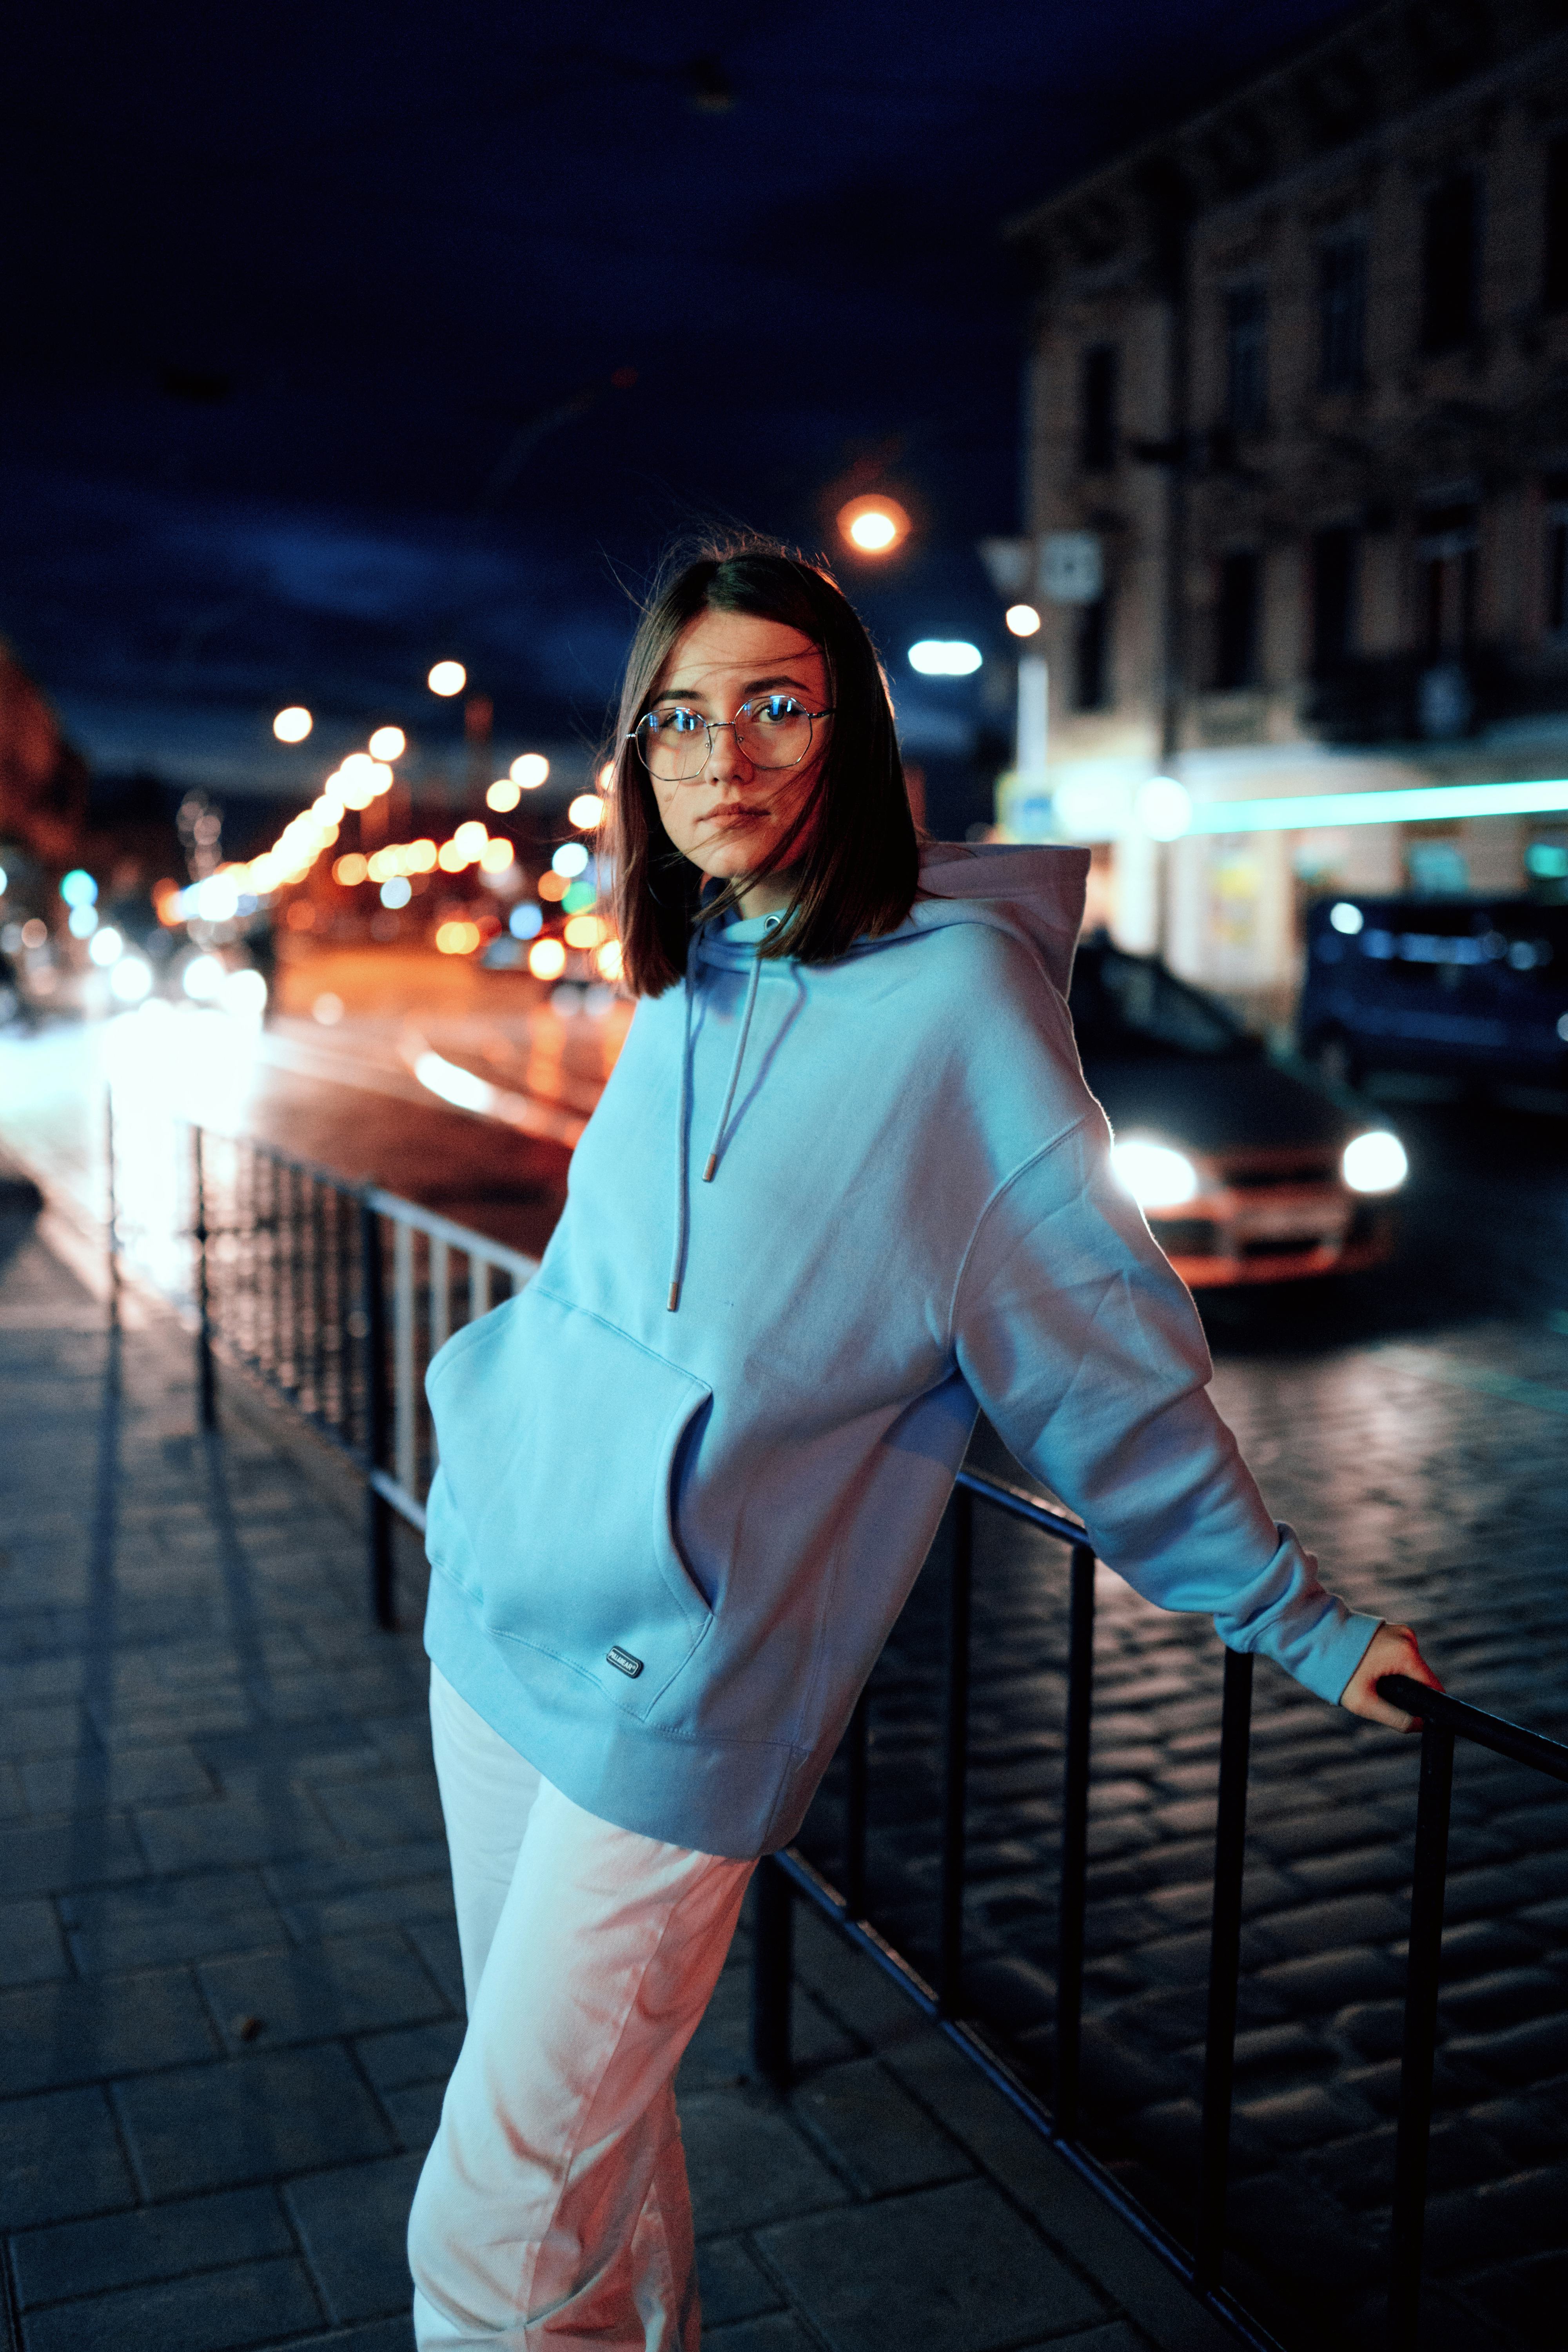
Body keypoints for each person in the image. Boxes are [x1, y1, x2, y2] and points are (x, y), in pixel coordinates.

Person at [406, 540, 1441, 2348]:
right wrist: (490, 1433)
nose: (721, 758)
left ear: (858, 738)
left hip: (675, 1693)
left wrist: (1290, 1615)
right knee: (587, 2156)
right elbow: (596, 1288)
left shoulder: (961, 1015)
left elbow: (1098, 1366)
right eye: (678, 717)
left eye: (775, 709)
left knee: (487, 2227)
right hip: (493, 1616)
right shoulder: (691, 967)